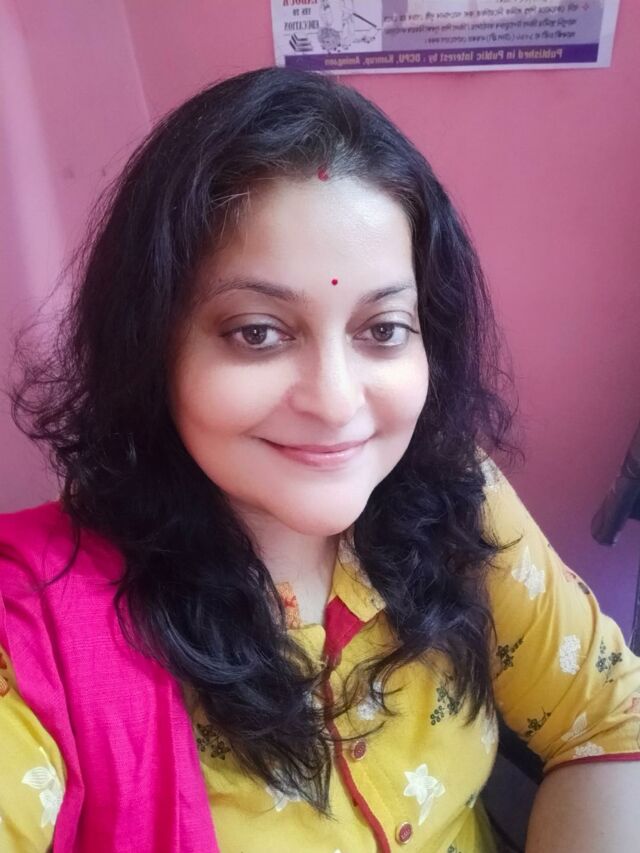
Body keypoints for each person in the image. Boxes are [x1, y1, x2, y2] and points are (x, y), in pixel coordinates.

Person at [1, 66, 638, 853]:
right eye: (258, 332)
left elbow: (607, 715)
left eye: (382, 329)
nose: (336, 402)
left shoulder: (456, 493)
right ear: (152, 345)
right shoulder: (40, 636)